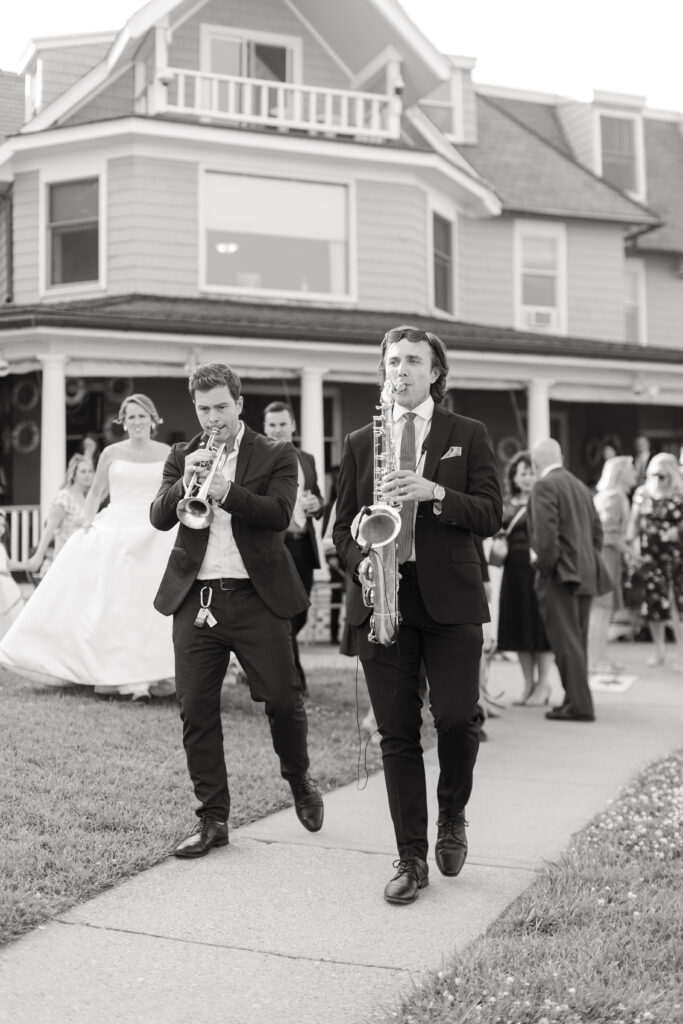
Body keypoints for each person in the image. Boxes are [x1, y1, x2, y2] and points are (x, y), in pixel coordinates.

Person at [333, 325, 502, 906]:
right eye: (392, 361)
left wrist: (433, 491)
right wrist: (360, 562)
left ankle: (452, 814)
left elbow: (490, 515)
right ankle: (410, 858)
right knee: (397, 734)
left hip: (450, 601)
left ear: (435, 372)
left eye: (412, 361)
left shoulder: (468, 434)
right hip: (384, 600)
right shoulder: (362, 441)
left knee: (456, 718)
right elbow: (341, 527)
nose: (400, 369)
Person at [150, 363, 324, 859]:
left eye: (221, 407)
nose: (213, 417)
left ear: (239, 404)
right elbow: (159, 518)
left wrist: (228, 492)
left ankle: (299, 778)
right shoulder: (183, 454)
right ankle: (213, 819)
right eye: (204, 409)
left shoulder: (276, 453)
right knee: (196, 709)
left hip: (256, 596)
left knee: (284, 700)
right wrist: (184, 483)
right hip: (197, 596)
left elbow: (278, 514)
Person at [0, 394, 176, 699]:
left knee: (152, 605)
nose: (136, 422)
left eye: (142, 416)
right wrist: (87, 523)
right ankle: (123, 678)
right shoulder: (111, 452)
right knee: (117, 604)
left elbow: (174, 491)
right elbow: (96, 493)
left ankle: (157, 673)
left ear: (153, 419)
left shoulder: (168, 452)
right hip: (116, 530)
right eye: (130, 417)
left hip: (155, 530)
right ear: (123, 422)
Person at [529, 439, 612, 723]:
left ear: (535, 461)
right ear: (560, 456)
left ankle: (580, 705)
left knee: (566, 643)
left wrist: (544, 568)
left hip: (560, 576)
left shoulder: (544, 486)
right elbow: (598, 534)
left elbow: (545, 538)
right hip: (586, 572)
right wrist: (585, 560)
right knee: (576, 642)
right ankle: (573, 699)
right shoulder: (580, 486)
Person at [263, 402, 324, 694]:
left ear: (293, 426)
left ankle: (276, 668)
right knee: (284, 614)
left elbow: (321, 499)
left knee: (300, 612)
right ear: (265, 428)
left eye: (282, 424)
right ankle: (295, 681)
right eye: (272, 425)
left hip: (304, 548)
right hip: (277, 547)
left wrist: (317, 505)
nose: (277, 429)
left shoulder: (308, 459)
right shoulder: (259, 459)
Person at [496, 451, 553, 706]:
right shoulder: (506, 503)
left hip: (537, 570)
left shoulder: (543, 500)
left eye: (531, 472)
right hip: (513, 571)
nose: (528, 478)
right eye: (523, 473)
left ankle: (544, 684)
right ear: (514, 477)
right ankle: (528, 684)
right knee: (519, 627)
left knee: (540, 628)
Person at [626, 452, 683, 668]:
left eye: (663, 475)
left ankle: (681, 654)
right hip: (650, 557)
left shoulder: (680, 496)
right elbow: (633, 524)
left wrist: (677, 533)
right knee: (653, 605)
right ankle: (659, 650)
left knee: (677, 605)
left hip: (675, 558)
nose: (658, 480)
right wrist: (631, 548)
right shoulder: (643, 494)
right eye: (655, 475)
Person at [588, 455, 638, 673]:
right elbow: (608, 535)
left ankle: (601, 658)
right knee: (601, 610)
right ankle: (595, 661)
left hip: (609, 557)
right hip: (605, 557)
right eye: (631, 469)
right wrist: (632, 553)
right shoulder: (614, 498)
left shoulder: (612, 496)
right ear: (620, 473)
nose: (635, 473)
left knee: (604, 611)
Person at [24, 454, 94, 576]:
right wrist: (38, 555)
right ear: (74, 474)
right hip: (66, 557)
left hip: (85, 557)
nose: (88, 474)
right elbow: (49, 529)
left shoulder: (88, 498)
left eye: (90, 471)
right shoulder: (64, 497)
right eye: (83, 471)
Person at [0, 511, 25, 638]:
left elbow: (8, 563)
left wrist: (25, 565)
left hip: (6, 582)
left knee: (11, 615)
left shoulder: (2, 546)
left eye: (3, 525)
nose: (1, 528)